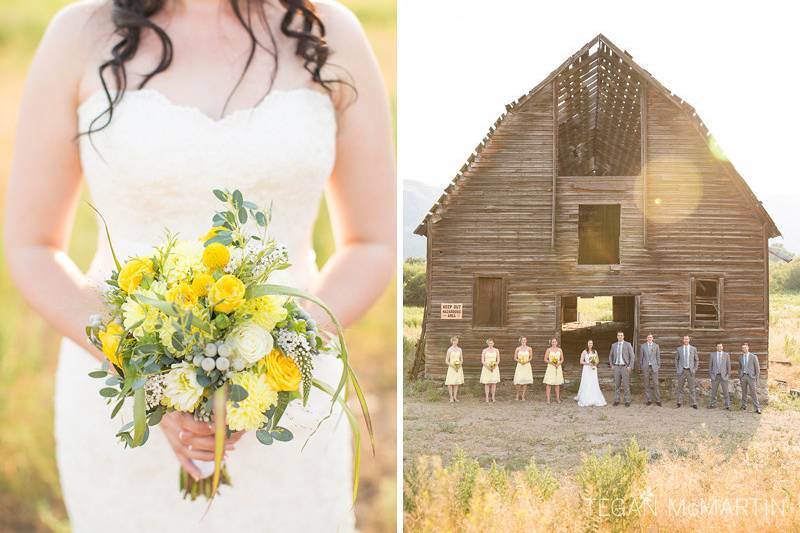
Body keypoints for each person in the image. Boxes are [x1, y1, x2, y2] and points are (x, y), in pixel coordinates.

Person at [3, 1, 394, 530]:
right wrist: (148, 375)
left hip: (290, 401)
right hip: (122, 405)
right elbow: (31, 245)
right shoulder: (79, 33)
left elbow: (373, 242)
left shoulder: (331, 32)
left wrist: (273, 357)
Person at [576, 339, 606, 407]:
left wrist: (594, 363)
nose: (590, 344)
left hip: (593, 369)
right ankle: (586, 397)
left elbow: (598, 360)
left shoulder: (595, 351)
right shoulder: (584, 352)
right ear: (587, 344)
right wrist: (588, 363)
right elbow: (581, 362)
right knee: (587, 382)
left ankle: (594, 397)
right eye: (589, 343)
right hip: (586, 369)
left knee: (593, 382)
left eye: (591, 343)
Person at [608, 330, 634, 406]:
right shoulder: (614, 345)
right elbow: (610, 356)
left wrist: (630, 366)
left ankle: (627, 401)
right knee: (617, 385)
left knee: (626, 385)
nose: (620, 336)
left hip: (625, 367)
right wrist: (612, 365)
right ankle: (616, 400)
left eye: (621, 335)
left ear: (623, 336)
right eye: (619, 335)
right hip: (616, 367)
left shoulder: (628, 344)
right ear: (617, 336)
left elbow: (632, 356)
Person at [675, 335, 699, 409]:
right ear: (683, 340)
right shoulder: (679, 349)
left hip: (690, 371)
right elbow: (676, 359)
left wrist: (695, 369)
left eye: (687, 339)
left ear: (689, 340)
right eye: (684, 339)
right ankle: (679, 402)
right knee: (680, 387)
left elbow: (696, 359)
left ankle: (693, 403)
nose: (686, 340)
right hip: (681, 371)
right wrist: (678, 368)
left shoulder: (693, 349)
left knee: (692, 388)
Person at [639, 333, 662, 406]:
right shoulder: (643, 346)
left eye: (651, 337)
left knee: (656, 383)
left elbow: (658, 357)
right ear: (647, 338)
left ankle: (658, 400)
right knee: (646, 384)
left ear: (652, 338)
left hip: (654, 367)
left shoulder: (656, 346)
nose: (649, 338)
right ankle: (649, 400)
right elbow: (641, 358)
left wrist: (658, 365)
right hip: (646, 367)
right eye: (648, 337)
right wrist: (642, 366)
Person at [739, 343, 762, 414]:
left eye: (745, 347)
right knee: (744, 392)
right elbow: (740, 367)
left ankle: (757, 408)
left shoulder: (753, 356)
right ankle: (743, 405)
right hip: (743, 376)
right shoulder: (740, 357)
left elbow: (757, 369)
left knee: (753, 392)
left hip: (751, 377)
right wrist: (740, 375)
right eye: (743, 348)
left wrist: (756, 378)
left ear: (748, 348)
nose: (744, 349)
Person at [708, 342, 731, 410]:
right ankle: (712, 404)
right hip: (715, 376)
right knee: (713, 391)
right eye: (718, 346)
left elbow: (728, 367)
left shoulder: (726, 355)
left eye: (720, 346)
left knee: (725, 391)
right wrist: (712, 376)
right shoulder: (712, 355)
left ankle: (727, 405)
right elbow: (710, 366)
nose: (719, 347)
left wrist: (727, 376)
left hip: (724, 376)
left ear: (722, 347)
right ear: (716, 347)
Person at [543, 338, 564, 404]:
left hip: (558, 367)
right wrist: (552, 363)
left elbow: (562, 359)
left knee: (557, 384)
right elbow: (545, 359)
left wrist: (558, 363)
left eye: (555, 342)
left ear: (557, 343)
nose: (554, 343)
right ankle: (548, 399)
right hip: (551, 367)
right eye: (553, 342)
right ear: (551, 343)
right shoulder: (548, 350)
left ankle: (557, 398)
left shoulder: (560, 350)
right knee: (549, 383)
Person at [444, 336, 464, 403]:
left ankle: (455, 397)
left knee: (456, 383)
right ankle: (451, 397)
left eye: (457, 341)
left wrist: (459, 365)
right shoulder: (449, 350)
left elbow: (461, 359)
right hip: (452, 368)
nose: (456, 342)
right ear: (452, 341)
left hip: (458, 368)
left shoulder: (460, 349)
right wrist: (453, 366)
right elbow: (446, 361)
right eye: (454, 341)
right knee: (450, 383)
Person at [480, 338, 500, 403]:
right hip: (486, 368)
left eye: (492, 343)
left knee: (494, 383)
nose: (490, 344)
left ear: (493, 343)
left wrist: (494, 366)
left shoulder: (496, 350)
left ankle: (493, 397)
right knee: (487, 383)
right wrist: (488, 367)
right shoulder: (484, 350)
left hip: (494, 368)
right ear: (487, 343)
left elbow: (498, 360)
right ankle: (487, 397)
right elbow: (482, 361)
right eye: (489, 343)